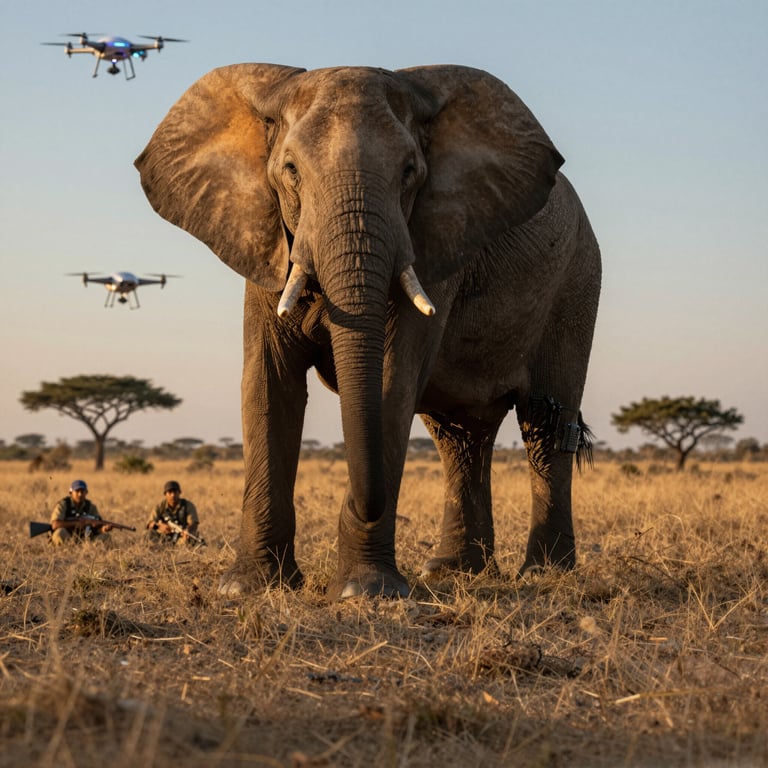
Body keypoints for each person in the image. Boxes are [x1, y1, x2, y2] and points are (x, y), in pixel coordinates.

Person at [50, 479, 113, 545]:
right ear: (71, 493)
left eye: (82, 491)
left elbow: (97, 526)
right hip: (67, 536)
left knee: (106, 537)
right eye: (77, 491)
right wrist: (75, 523)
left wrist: (103, 529)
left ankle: (89, 549)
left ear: (86, 492)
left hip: (86, 539)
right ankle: (69, 548)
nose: (80, 494)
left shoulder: (91, 507)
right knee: (59, 533)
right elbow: (55, 524)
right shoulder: (63, 505)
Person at [145, 480, 202, 545]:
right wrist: (159, 526)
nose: (173, 495)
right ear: (165, 494)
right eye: (170, 492)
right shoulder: (160, 507)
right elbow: (150, 524)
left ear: (179, 493)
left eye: (175, 492)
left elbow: (194, 523)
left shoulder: (188, 505)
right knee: (148, 534)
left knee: (193, 537)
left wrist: (188, 530)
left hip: (181, 537)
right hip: (162, 537)